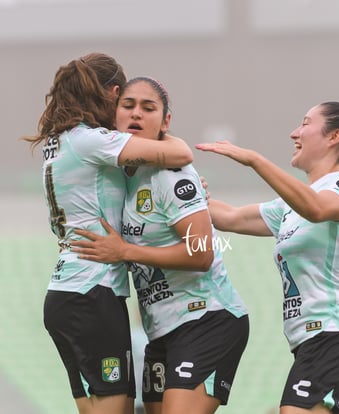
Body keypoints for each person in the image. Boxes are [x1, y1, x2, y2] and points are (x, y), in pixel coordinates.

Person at [195, 101, 339, 413]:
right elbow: (228, 217)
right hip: (316, 342)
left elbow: (317, 208)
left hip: (337, 335)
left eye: (305, 123)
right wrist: (186, 189)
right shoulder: (289, 207)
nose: (294, 132)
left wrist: (254, 160)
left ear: (334, 136)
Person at [23, 53, 193, 414]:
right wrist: (159, 128)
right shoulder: (93, 141)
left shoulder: (61, 141)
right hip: (93, 293)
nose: (131, 113)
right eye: (126, 102)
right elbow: (180, 152)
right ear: (113, 93)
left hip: (65, 293)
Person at [70, 76, 250, 414]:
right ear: (114, 116)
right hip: (161, 331)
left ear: (165, 121)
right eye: (128, 105)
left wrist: (126, 251)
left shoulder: (173, 175)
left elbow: (201, 254)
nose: (136, 113)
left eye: (148, 108)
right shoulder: (119, 176)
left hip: (207, 319)